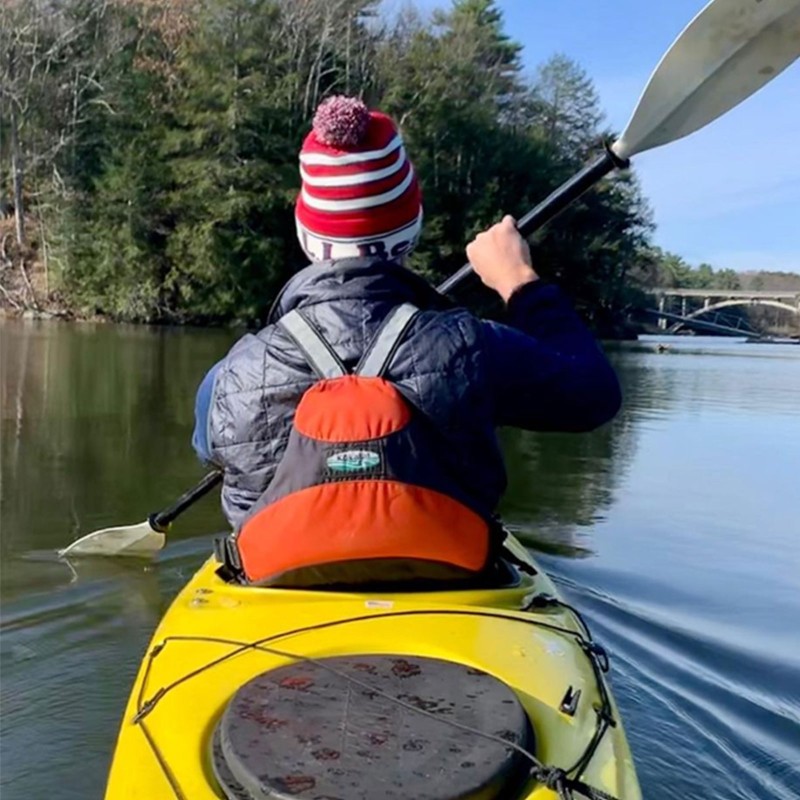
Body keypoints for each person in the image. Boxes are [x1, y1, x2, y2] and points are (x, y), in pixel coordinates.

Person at [193, 95, 621, 585]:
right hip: (451, 585)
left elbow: (209, 449)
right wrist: (519, 282)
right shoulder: (472, 350)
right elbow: (594, 394)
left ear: (305, 234)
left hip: (273, 593)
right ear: (411, 229)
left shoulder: (231, 375)